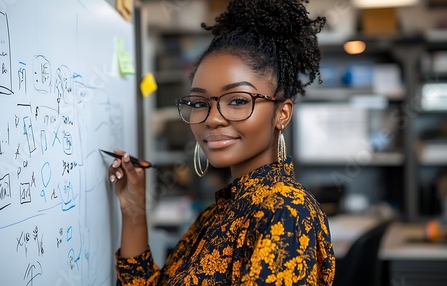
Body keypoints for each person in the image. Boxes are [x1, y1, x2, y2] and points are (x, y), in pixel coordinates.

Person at [109, 0, 335, 284]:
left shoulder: (285, 210)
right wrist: (133, 209)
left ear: (282, 113)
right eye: (200, 102)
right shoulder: (219, 212)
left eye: (238, 100)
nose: (212, 119)